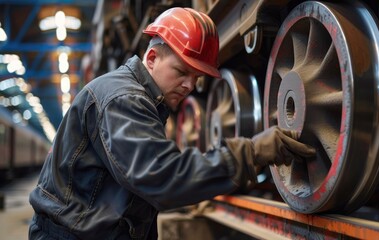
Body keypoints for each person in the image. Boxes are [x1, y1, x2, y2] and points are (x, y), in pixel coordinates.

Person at [28, 7, 315, 240]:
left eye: (198, 78)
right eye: (182, 71)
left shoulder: (144, 98)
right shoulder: (122, 99)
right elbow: (161, 178)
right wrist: (250, 153)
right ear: (152, 57)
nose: (190, 85)